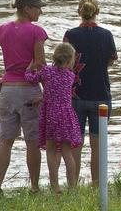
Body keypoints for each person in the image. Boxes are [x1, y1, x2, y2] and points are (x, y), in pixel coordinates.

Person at [0, 0, 47, 193]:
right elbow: (40, 64)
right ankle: (34, 187)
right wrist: (47, 92)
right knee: (32, 142)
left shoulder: (3, 29)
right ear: (27, 8)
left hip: (7, 91)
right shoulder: (37, 32)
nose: (40, 11)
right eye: (38, 8)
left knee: (5, 142)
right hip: (29, 92)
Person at [64, 0, 117, 185]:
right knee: (98, 145)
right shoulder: (106, 34)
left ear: (79, 11)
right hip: (101, 95)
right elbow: (110, 60)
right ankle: (96, 184)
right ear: (97, 11)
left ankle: (73, 184)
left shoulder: (70, 34)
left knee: (75, 144)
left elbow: (65, 63)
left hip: (76, 96)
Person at [24, 43, 81, 193]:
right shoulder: (71, 75)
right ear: (69, 60)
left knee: (50, 150)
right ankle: (72, 187)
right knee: (67, 152)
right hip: (67, 115)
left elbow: (31, 78)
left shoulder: (47, 71)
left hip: (51, 115)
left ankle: (55, 187)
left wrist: (30, 66)